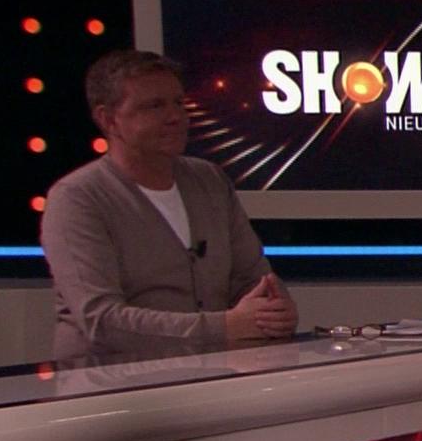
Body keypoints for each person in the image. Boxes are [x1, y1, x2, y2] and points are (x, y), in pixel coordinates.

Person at [41, 50, 296, 359]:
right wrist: (224, 327)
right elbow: (101, 321)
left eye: (178, 103)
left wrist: (273, 311)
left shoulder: (209, 181)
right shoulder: (77, 198)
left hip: (218, 374)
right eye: (154, 106)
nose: (176, 117)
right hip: (108, 380)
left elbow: (254, 280)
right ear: (108, 119)